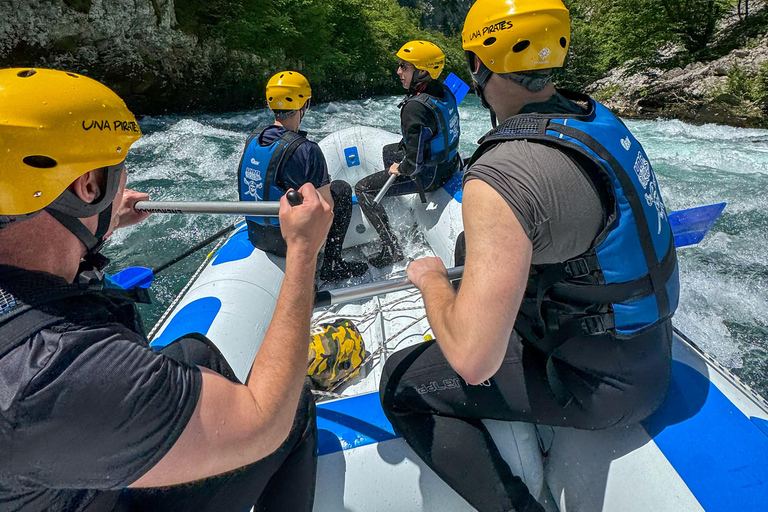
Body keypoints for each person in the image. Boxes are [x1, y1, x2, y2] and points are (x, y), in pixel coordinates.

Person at [378, 1, 680, 510]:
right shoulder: (597, 118)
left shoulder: (501, 177)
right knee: (465, 247)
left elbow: (474, 362)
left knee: (398, 383)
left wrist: (430, 280)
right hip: (649, 350)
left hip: (596, 385)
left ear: (478, 65)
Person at [0, 68, 334, 512]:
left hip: (44, 466)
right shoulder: (62, 366)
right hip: (83, 490)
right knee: (292, 412)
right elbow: (264, 422)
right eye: (116, 166)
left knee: (199, 353)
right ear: (87, 186)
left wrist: (100, 220)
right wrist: (303, 253)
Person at [239, 70, 367, 281]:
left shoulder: (253, 138)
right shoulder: (307, 149)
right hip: (288, 239)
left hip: (256, 234)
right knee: (341, 190)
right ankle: (332, 265)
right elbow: (327, 208)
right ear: (304, 105)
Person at [355, 40, 462, 268]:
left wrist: (399, 169)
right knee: (388, 151)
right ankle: (399, 206)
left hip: (430, 176)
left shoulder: (414, 108)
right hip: (449, 164)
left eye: (404, 66)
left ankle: (391, 248)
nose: (399, 71)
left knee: (363, 189)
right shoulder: (445, 91)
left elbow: (413, 165)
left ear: (422, 71)